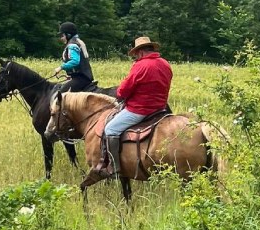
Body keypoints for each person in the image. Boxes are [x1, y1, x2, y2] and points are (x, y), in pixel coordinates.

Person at [99, 36, 173, 178]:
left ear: (140, 52)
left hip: (140, 110)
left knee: (110, 129)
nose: (136, 57)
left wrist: (122, 94)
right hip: (160, 109)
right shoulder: (165, 64)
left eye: (136, 55)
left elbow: (123, 91)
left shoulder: (140, 66)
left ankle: (114, 167)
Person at [54, 22, 94, 93]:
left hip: (81, 78)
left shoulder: (72, 45)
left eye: (62, 36)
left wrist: (61, 67)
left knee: (61, 94)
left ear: (68, 35)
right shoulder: (78, 41)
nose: (61, 38)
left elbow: (75, 61)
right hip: (82, 77)